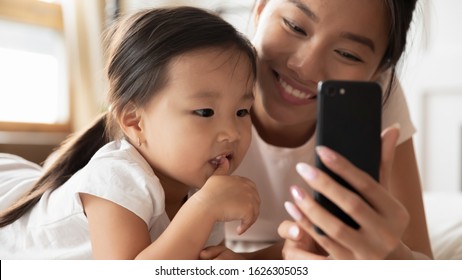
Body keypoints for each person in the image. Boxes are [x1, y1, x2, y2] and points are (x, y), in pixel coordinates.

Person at [0, 6, 260, 259]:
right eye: (205, 112)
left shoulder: (202, 188)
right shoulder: (118, 176)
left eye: (242, 112)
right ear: (135, 121)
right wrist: (205, 209)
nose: (231, 133)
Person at [199, 0, 433, 260]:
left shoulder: (373, 97)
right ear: (261, 8)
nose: (306, 68)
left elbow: (418, 254)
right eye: (295, 26)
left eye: (348, 54)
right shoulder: (200, 72)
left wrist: (390, 259)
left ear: (378, 71)